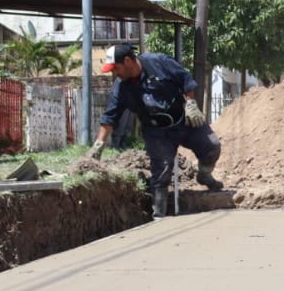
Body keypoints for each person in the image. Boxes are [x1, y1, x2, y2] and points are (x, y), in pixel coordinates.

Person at [89, 43, 223, 219]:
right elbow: (109, 119)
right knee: (161, 173)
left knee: (211, 145)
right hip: (156, 132)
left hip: (184, 120)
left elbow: (185, 79)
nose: (115, 74)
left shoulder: (159, 62)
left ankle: (204, 176)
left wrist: (190, 103)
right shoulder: (120, 88)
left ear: (128, 61)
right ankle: (159, 214)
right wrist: (98, 146)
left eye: (116, 68)